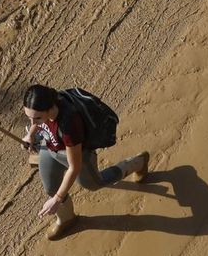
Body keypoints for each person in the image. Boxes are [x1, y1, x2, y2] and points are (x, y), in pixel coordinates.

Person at [21, 84, 149, 240]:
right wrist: (31, 136)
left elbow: (74, 167)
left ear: (50, 109)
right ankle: (67, 219)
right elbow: (36, 121)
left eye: (37, 118)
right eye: (29, 117)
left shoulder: (69, 124)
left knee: (94, 184)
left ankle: (137, 163)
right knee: (51, 187)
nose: (33, 122)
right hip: (50, 148)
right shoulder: (42, 110)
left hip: (76, 154)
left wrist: (57, 199)